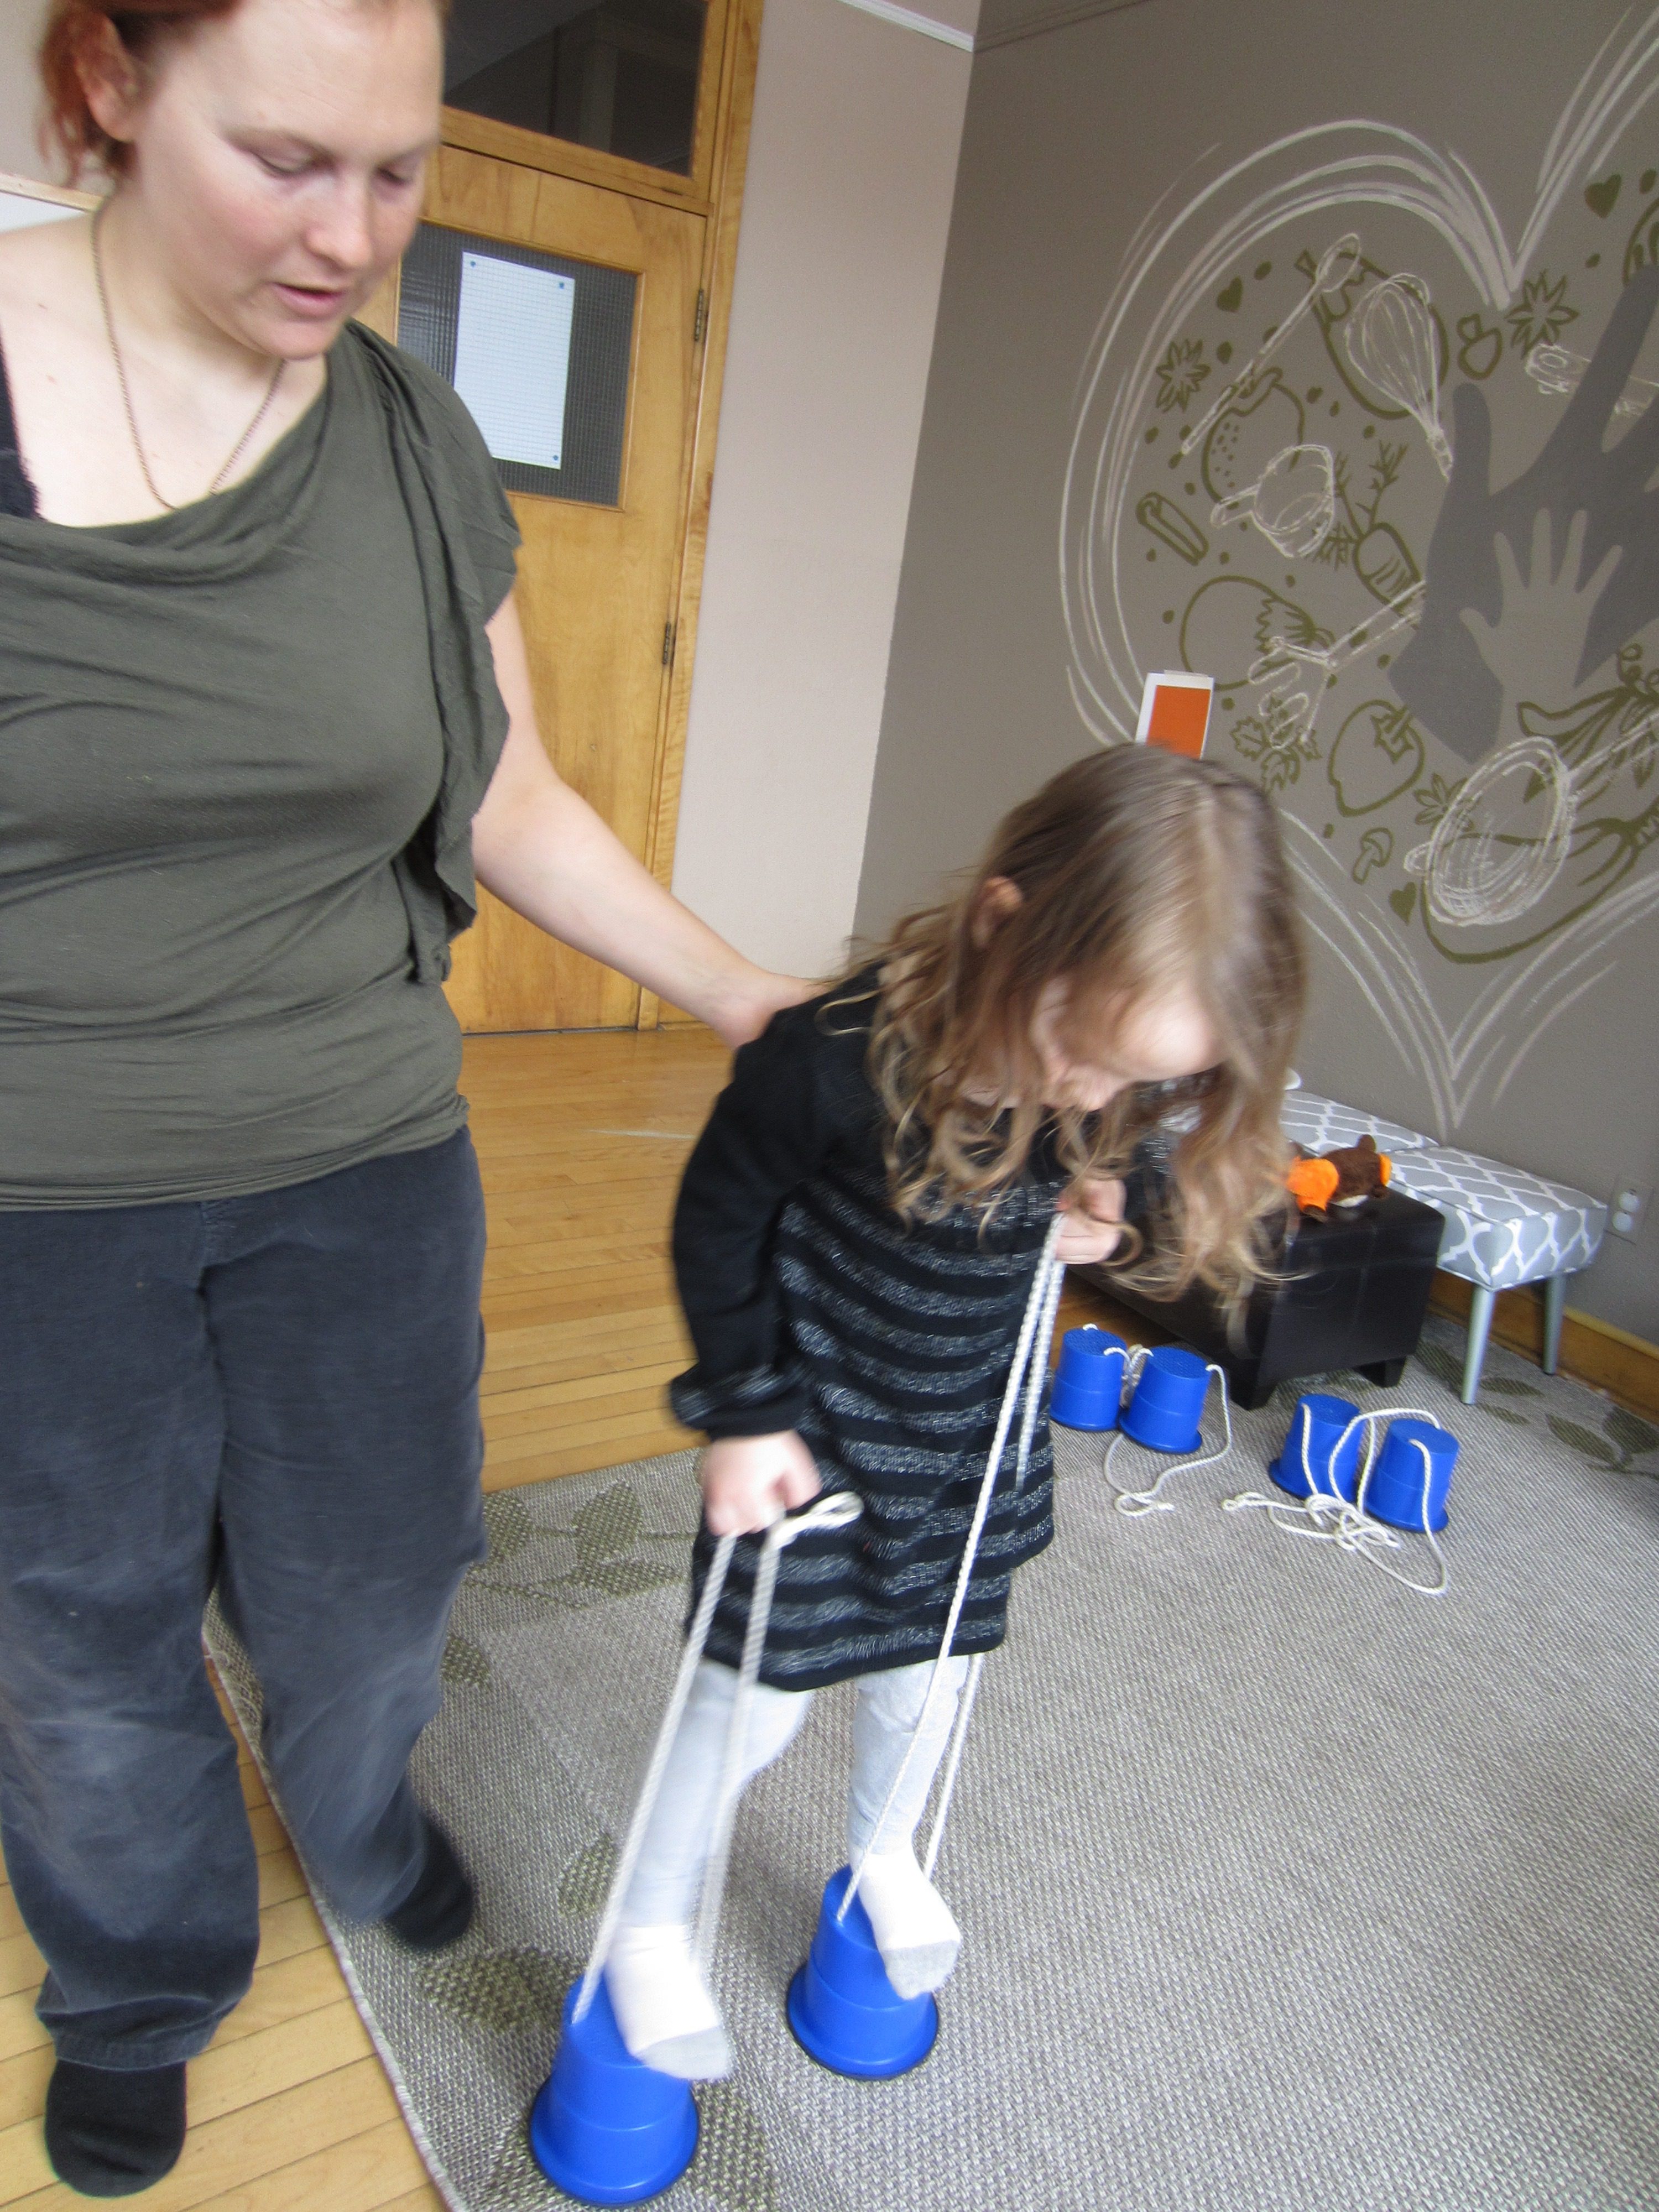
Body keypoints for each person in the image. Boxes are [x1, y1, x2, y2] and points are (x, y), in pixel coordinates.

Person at [0, 0, 806, 2194]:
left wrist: (738, 988)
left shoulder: (410, 435)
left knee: (368, 1594)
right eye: (285, 161)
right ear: (110, 87)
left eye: (397, 169)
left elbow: (510, 788)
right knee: (78, 1646)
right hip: (34, 1204)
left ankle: (356, 1813)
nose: (352, 236)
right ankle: (142, 1984)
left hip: (359, 1160)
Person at [603, 744, 1306, 2078]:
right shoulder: (829, 1061)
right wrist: (743, 1410)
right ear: (1002, 927)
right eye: (1082, 1055)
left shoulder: (1099, 1077)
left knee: (927, 1687)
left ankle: (881, 1857)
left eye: (1134, 1083)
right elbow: (716, 1223)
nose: (1091, 1097)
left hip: (965, 1457)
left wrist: (1117, 1212)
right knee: (747, 1707)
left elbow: (1136, 1164)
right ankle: (647, 1922)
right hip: (814, 1452)